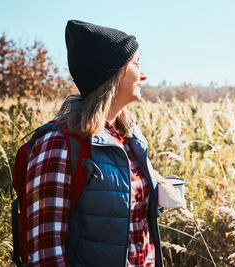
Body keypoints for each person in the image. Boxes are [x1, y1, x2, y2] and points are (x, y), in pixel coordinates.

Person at [25, 20, 164, 266]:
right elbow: (46, 254)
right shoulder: (59, 143)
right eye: (136, 63)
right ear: (112, 74)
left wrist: (156, 196)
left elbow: (123, 219)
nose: (143, 74)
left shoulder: (128, 137)